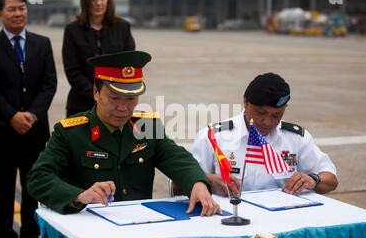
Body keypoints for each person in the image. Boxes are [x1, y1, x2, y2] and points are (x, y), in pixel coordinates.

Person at [27, 50, 221, 217]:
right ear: (96, 92)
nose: (122, 107)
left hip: (137, 228)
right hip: (90, 230)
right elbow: (38, 178)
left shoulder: (147, 127)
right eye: (114, 98)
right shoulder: (70, 133)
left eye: (131, 98)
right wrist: (80, 195)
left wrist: (197, 183)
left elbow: (177, 158)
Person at [0, 0, 57, 238]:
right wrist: (12, 116)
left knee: (34, 187)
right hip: (0, 132)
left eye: (22, 8)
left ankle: (31, 236)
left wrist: (31, 115)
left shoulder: (42, 43)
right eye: (11, 9)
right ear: (0, 14)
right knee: (2, 188)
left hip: (35, 131)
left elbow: (49, 85)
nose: (18, 13)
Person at [190, 72, 338, 197]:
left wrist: (314, 179)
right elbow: (178, 185)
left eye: (276, 115)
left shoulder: (296, 137)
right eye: (261, 113)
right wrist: (207, 179)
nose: (267, 122)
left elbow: (331, 179)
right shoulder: (214, 137)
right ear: (245, 102)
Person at [62, 0, 135, 117]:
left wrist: (111, 95)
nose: (98, 3)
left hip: (116, 106)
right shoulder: (72, 30)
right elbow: (72, 70)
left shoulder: (123, 27)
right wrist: (97, 94)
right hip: (80, 106)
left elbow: (129, 65)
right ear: (85, 0)